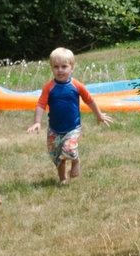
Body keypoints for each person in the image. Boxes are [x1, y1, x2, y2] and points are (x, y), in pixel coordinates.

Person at [25, 46, 111, 184]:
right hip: (54, 129)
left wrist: (99, 115)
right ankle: (62, 179)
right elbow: (41, 104)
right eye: (56, 67)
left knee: (69, 149)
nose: (60, 70)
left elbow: (89, 100)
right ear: (51, 68)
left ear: (72, 67)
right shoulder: (49, 87)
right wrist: (37, 122)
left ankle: (76, 160)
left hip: (72, 128)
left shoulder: (76, 85)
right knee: (57, 156)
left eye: (64, 66)